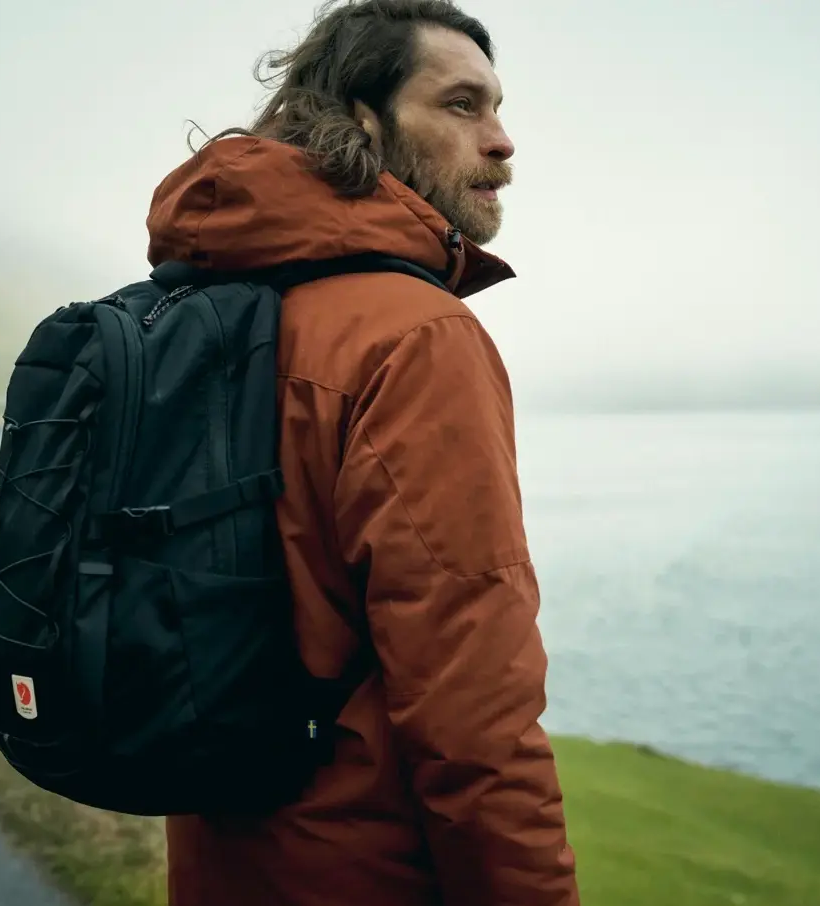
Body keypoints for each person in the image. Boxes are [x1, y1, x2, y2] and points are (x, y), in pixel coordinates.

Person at [146, 1, 580, 903]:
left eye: (500, 108)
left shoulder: (198, 315)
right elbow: (473, 706)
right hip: (365, 870)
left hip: (220, 855)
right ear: (363, 120)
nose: (502, 142)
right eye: (462, 106)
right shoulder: (418, 337)